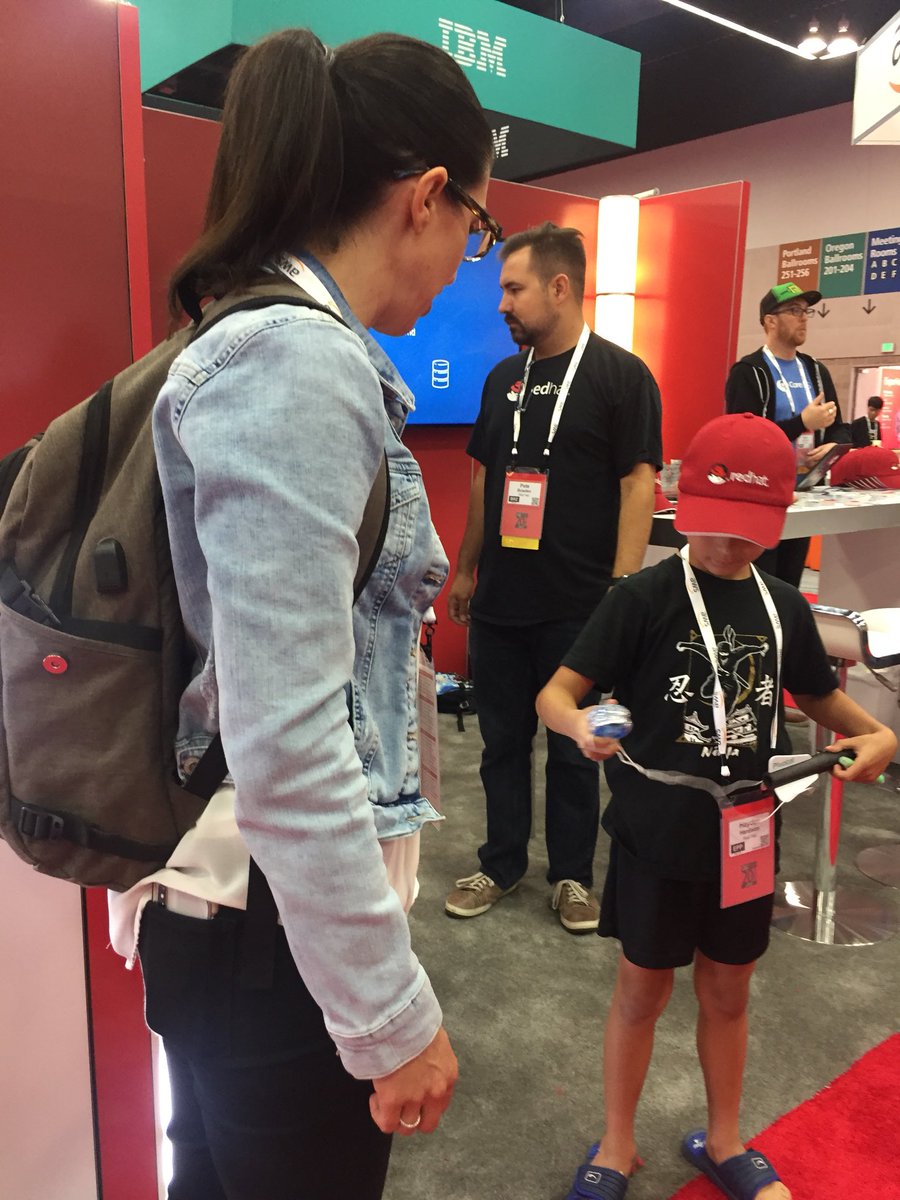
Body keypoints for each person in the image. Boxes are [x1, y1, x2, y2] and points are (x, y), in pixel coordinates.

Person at [106, 28, 498, 1200]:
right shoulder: (299, 363)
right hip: (270, 938)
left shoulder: (252, 334)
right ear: (427, 196)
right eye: (477, 226)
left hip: (241, 923)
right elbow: (287, 737)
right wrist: (388, 1015)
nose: (469, 259)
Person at [536, 411, 897, 1200]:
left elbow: (817, 695)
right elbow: (555, 694)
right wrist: (580, 725)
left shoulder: (783, 605)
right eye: (715, 527)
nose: (729, 547)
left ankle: (725, 1137)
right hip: (657, 830)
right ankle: (618, 1142)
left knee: (729, 990)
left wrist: (877, 733)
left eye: (748, 533)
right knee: (642, 990)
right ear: (685, 504)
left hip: (748, 831)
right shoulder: (642, 597)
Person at [445, 222, 662, 932]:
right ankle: (501, 862)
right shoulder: (502, 379)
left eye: (514, 289)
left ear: (559, 287)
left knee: (575, 749)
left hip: (581, 605)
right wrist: (466, 568)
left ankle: (572, 876)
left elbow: (638, 484)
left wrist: (623, 591)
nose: (503, 304)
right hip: (502, 602)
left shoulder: (621, 377)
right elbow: (485, 482)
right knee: (501, 743)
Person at [725, 281, 850, 587]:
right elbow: (743, 438)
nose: (804, 317)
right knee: (760, 585)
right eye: (794, 311)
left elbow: (839, 425)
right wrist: (802, 422)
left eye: (806, 311)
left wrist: (835, 443)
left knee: (790, 587)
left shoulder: (815, 370)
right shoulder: (749, 372)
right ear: (770, 320)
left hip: (803, 496)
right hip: (761, 497)